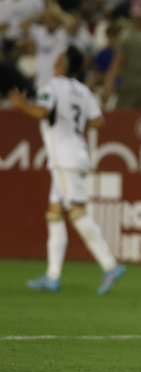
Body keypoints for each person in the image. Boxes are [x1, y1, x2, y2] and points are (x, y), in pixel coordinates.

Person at [9, 47, 126, 295]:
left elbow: (42, 111)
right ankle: (53, 276)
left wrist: (21, 105)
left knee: (76, 212)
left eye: (59, 57)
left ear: (62, 64)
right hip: (78, 153)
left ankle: (110, 265)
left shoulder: (51, 86)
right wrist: (74, 119)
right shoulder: (82, 90)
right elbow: (99, 122)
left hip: (64, 158)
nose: (56, 60)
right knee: (54, 213)